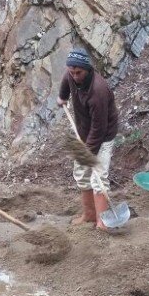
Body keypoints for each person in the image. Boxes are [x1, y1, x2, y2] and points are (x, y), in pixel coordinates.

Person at [56, 48, 119, 231]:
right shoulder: (71, 75)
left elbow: (98, 130)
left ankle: (102, 221)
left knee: (98, 178)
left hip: (104, 136)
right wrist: (62, 96)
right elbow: (66, 81)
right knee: (81, 174)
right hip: (83, 133)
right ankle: (89, 215)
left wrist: (87, 153)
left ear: (88, 69)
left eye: (79, 73)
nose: (75, 76)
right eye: (72, 72)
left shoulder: (98, 91)